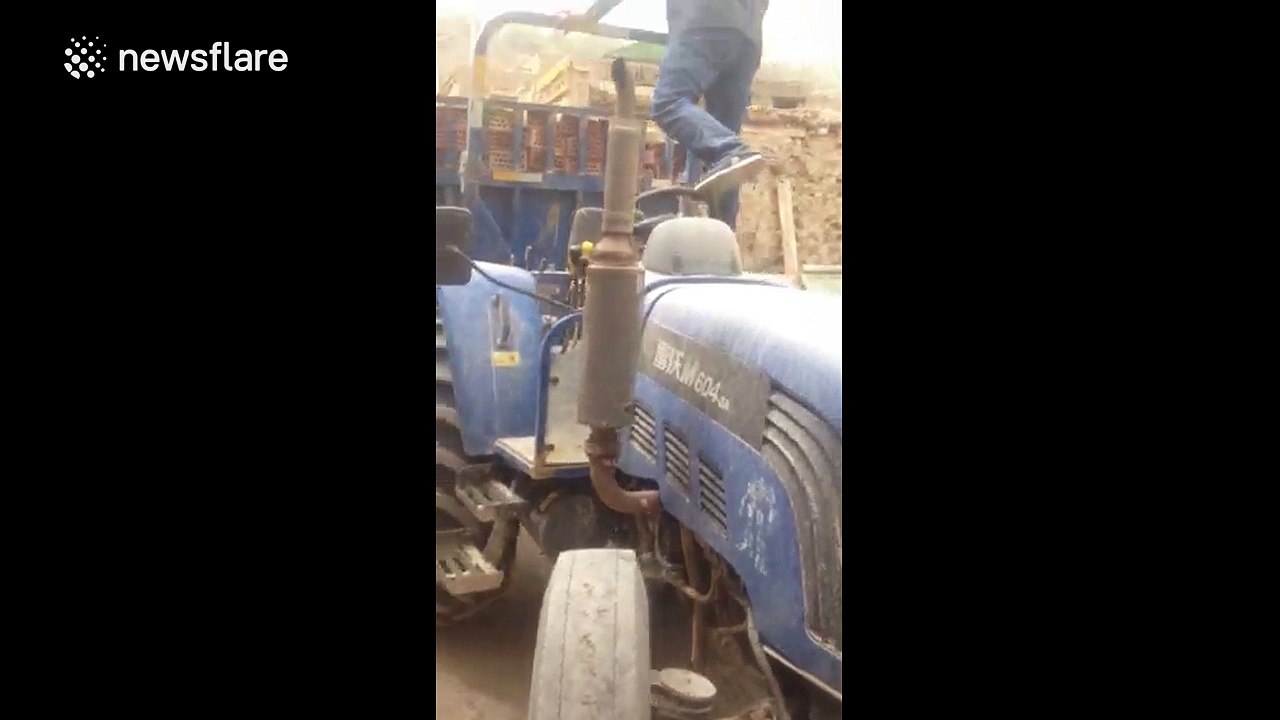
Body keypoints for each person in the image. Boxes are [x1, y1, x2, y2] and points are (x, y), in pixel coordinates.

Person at [561, 0, 769, 230]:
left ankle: (730, 151)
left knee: (669, 103)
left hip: (702, 20)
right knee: (724, 154)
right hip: (748, 40)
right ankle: (722, 241)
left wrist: (591, 14)